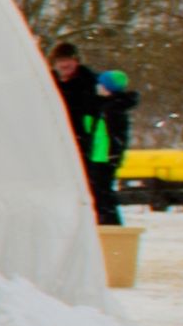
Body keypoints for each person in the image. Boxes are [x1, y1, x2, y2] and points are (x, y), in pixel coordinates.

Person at [53, 40, 128, 227]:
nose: (64, 64)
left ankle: (109, 231)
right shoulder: (48, 84)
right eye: (60, 61)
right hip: (60, 147)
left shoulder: (90, 82)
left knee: (99, 192)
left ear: (76, 61)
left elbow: (115, 102)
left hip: (90, 148)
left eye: (68, 60)